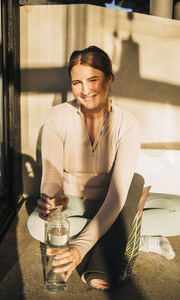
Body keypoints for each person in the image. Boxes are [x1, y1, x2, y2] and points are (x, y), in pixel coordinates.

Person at [27, 46, 177, 291]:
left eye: (93, 80)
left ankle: (111, 231)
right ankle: (137, 238)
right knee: (36, 225)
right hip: (73, 201)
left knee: (177, 212)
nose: (85, 90)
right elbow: (52, 174)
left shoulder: (128, 124)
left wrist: (79, 248)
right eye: (77, 82)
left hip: (114, 203)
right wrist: (51, 201)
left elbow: (118, 196)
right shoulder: (57, 116)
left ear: (109, 79)